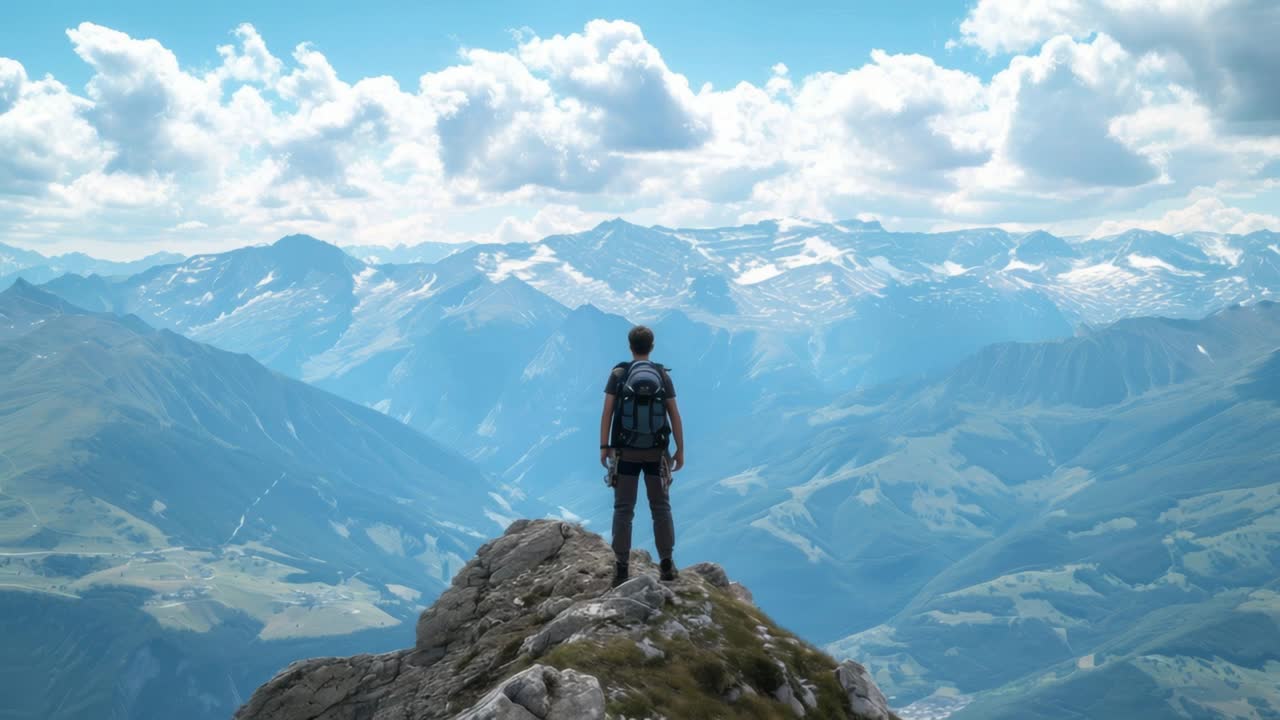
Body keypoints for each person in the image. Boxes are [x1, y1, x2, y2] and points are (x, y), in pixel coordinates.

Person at [600, 325, 684, 588]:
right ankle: (667, 565)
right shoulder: (661, 374)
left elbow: (608, 413)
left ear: (630, 346)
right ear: (652, 346)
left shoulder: (619, 374)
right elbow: (674, 414)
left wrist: (605, 446)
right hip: (656, 452)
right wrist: (679, 450)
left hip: (625, 452)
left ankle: (622, 569)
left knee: (623, 509)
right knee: (660, 507)